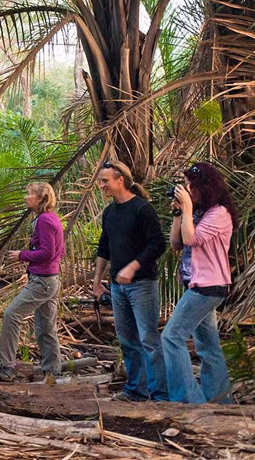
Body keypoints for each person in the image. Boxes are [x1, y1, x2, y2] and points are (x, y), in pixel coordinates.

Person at [92, 158, 168, 401]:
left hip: (142, 285)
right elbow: (104, 247)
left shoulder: (142, 209)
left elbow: (158, 244)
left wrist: (133, 267)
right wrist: (97, 281)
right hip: (117, 287)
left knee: (148, 340)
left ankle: (160, 394)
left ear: (120, 180)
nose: (101, 185)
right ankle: (136, 390)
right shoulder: (109, 212)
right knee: (127, 340)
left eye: (105, 181)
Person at [161, 162, 236, 403]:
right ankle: (220, 401)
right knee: (208, 347)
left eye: (191, 187)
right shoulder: (198, 212)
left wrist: (187, 206)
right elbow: (176, 243)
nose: (188, 191)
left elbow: (191, 239)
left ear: (206, 187)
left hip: (208, 286)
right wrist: (178, 213)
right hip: (197, 284)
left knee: (171, 337)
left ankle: (188, 401)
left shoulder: (219, 213)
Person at [0, 182, 65, 382]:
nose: (26, 197)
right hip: (51, 279)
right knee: (46, 327)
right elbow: (58, 251)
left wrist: (22, 255)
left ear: (41, 198)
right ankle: (52, 371)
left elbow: (48, 252)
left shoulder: (44, 220)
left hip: (42, 281)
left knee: (11, 315)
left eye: (29, 194)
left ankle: (6, 367)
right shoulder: (51, 218)